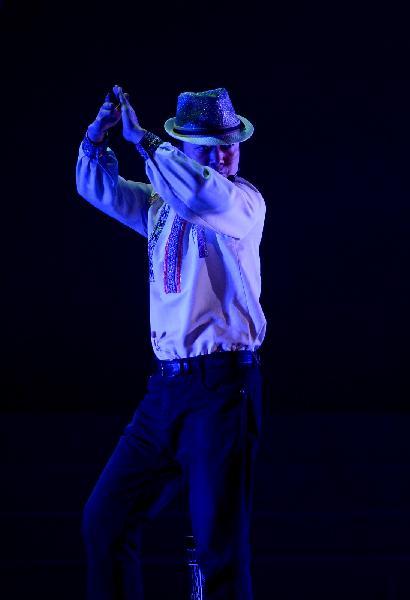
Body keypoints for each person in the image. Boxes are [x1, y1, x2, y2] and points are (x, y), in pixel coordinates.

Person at [76, 85, 266, 600]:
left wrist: (146, 142)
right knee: (105, 520)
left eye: (229, 143)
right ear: (184, 148)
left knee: (218, 551)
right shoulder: (161, 202)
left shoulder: (241, 203)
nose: (222, 154)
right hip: (166, 391)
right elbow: (100, 189)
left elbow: (203, 193)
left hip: (222, 390)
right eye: (206, 146)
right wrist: (99, 140)